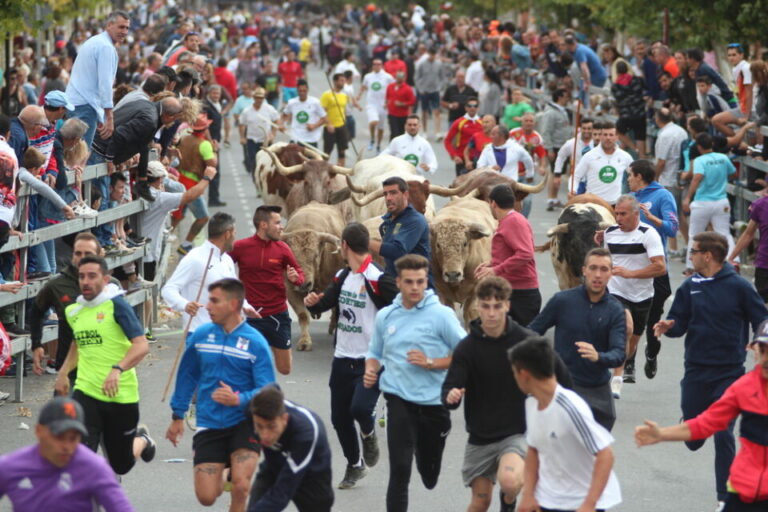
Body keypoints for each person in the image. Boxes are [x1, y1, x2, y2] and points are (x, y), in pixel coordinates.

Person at [654, 232, 767, 507]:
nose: (689, 254)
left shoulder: (739, 286)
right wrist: (669, 327)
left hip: (729, 371)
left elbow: (761, 318)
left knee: (723, 432)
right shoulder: (690, 285)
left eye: (693, 251)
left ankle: (722, 497)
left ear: (708, 255)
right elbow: (679, 322)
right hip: (695, 369)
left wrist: (757, 343)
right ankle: (689, 423)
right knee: (694, 440)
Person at [442, 277, 571, 512]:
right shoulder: (467, 347)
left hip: (518, 431)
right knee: (480, 502)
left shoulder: (527, 341)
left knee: (509, 482)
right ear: (478, 307)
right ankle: (506, 500)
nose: (491, 313)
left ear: (507, 306)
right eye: (486, 306)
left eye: (497, 306)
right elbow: (450, 388)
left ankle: (508, 501)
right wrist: (452, 396)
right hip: (481, 434)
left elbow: (563, 378)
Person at [364, 254, 466, 512]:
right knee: (399, 470)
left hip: (434, 403)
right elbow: (375, 351)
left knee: (429, 475)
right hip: (398, 400)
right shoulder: (386, 316)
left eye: (420, 281)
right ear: (398, 282)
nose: (415, 287)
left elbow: (466, 354)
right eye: (409, 282)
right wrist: (371, 369)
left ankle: (426, 456)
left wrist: (431, 363)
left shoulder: (441, 315)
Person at [167, 278, 276, 512]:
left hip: (245, 422)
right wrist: (177, 415)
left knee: (241, 487)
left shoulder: (256, 343)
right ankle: (226, 470)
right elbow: (187, 375)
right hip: (210, 422)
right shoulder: (201, 336)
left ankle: (233, 475)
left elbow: (269, 390)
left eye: (215, 301)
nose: (208, 306)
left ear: (234, 305)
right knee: (207, 496)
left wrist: (240, 399)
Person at [635, 320, 768, 511]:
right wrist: (662, 434)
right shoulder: (744, 387)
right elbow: (707, 423)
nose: (766, 358)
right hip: (742, 489)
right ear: (754, 351)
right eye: (762, 350)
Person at [304, 222, 398, 489]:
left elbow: (399, 309)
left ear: (345, 245)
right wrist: (311, 301)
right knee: (339, 418)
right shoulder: (344, 276)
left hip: (371, 360)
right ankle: (355, 465)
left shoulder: (378, 278)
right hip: (342, 358)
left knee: (359, 408)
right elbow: (325, 303)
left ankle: (368, 434)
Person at [53, 256, 156, 475]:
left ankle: (143, 440)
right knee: (79, 457)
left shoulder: (116, 305)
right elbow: (77, 344)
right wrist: (63, 373)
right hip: (86, 391)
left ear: (106, 279)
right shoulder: (74, 311)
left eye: (92, 276)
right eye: (81, 277)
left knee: (121, 464)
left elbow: (141, 346)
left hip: (120, 395)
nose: (86, 282)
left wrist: (117, 369)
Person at [510, 337, 622, 512]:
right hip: (548, 499)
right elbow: (533, 449)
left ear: (524, 375)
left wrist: (588, 505)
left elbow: (606, 455)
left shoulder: (570, 407)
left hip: (580, 501)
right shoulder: (531, 403)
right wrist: (528, 495)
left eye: (514, 372)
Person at [530, 248, 626, 431]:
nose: (598, 275)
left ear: (611, 273)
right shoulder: (562, 301)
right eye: (593, 268)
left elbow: (619, 354)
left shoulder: (615, 310)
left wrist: (598, 356)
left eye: (604, 269)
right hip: (563, 387)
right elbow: (533, 331)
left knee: (595, 454)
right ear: (584, 271)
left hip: (597, 389)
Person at [0, 397, 134, 511]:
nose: (67, 446)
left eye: (73, 438)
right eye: (59, 437)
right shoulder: (10, 467)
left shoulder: (94, 468)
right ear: (39, 431)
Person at [598, 195, 666, 394]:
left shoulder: (648, 234)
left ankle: (621, 365)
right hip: (616, 291)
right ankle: (615, 379)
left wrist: (631, 273)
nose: (618, 218)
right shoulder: (610, 233)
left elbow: (660, 268)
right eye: (616, 213)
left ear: (636, 214)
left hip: (643, 295)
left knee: (633, 342)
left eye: (623, 214)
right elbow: (606, 261)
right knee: (625, 327)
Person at [230, 206, 305, 375]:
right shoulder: (241, 247)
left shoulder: (282, 248)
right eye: (277, 223)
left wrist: (296, 279)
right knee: (243, 365)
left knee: (285, 369)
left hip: (277, 315)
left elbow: (299, 273)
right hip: (249, 316)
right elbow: (222, 266)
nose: (281, 227)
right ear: (263, 225)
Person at [162, 212, 259, 335]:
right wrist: (185, 305)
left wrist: (245, 306)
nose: (235, 237)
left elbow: (234, 292)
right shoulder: (195, 258)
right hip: (199, 334)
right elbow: (168, 289)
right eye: (234, 233)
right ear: (227, 234)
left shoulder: (227, 259)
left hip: (226, 333)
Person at [626, 160, 679, 380]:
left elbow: (673, 229)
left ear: (639, 176)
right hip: (630, 267)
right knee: (629, 318)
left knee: (651, 319)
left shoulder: (663, 196)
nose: (627, 178)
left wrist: (652, 218)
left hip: (655, 267)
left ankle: (651, 353)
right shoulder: (629, 198)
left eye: (630, 175)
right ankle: (628, 364)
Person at [30, 233, 107, 377]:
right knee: (64, 400)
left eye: (88, 253)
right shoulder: (57, 285)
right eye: (78, 253)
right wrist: (36, 345)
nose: (82, 257)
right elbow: (36, 312)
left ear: (99, 255)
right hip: (69, 367)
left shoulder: (111, 286)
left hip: (104, 365)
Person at [247, 386, 334, 511]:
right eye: (259, 426)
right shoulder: (252, 411)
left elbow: (283, 491)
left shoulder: (306, 434)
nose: (265, 435)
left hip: (311, 473)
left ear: (284, 419)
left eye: (271, 427)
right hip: (273, 463)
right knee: (256, 507)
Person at [475, 184, 540, 325]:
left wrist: (496, 269)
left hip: (521, 294)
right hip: (509, 290)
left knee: (521, 343)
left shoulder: (514, 221)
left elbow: (525, 253)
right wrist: (492, 262)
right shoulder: (510, 220)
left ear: (493, 203)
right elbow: (511, 250)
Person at [141, 161, 216, 282]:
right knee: (148, 291)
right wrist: (207, 178)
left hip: (143, 251)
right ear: (159, 179)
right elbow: (189, 196)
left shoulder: (141, 191)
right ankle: (186, 244)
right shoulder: (158, 198)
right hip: (148, 254)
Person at [65, 10, 130, 147]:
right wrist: (109, 117)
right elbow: (105, 84)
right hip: (85, 105)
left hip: (78, 103)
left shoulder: (97, 41)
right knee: (80, 157)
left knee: (75, 155)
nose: (124, 31)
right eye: (121, 27)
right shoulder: (105, 47)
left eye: (127, 28)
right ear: (109, 25)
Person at [683, 133, 737, 271]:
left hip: (702, 202)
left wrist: (688, 197)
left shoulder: (699, 160)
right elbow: (733, 172)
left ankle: (691, 266)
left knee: (695, 235)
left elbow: (697, 177)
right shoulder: (723, 158)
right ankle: (733, 260)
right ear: (711, 144)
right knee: (724, 233)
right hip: (721, 201)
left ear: (699, 147)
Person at [370, 177, 431, 280]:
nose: (388, 198)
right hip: (396, 283)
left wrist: (363, 241)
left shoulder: (415, 220)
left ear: (405, 195)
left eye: (393, 193)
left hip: (416, 286)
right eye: (385, 194)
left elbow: (398, 251)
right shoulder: (386, 223)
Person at [173, 113, 217, 256]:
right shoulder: (204, 145)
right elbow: (212, 165)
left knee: (178, 215)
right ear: (205, 129)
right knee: (203, 217)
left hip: (179, 179)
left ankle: (165, 240)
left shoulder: (184, 138)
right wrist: (214, 150)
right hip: (192, 184)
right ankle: (186, 245)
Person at [570, 122, 633, 205]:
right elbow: (575, 176)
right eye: (605, 135)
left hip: (614, 205)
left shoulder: (625, 156)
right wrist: (573, 190)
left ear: (617, 137)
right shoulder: (589, 156)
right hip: (592, 204)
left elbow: (635, 175)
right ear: (600, 136)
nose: (608, 138)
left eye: (611, 135)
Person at [551, 117, 594, 210]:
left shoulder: (597, 143)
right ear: (580, 129)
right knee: (576, 207)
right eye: (584, 128)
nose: (587, 131)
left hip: (592, 179)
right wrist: (557, 175)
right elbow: (561, 156)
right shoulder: (572, 143)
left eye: (589, 128)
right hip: (578, 180)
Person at [712, 43, 754, 137]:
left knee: (716, 120)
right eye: (729, 55)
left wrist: (746, 115)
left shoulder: (745, 68)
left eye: (734, 55)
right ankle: (738, 140)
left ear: (741, 55)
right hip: (742, 106)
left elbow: (749, 92)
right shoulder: (736, 68)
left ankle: (737, 141)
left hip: (750, 109)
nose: (731, 58)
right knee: (716, 120)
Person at [240, 87, 280, 177]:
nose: (259, 100)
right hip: (252, 140)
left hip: (265, 140)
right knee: (253, 162)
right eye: (257, 97)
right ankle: (256, 179)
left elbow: (277, 120)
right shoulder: (247, 111)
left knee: (267, 161)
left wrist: (273, 134)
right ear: (253, 98)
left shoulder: (269, 109)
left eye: (261, 98)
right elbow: (242, 124)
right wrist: (242, 137)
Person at [358, 58, 395, 153]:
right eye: (375, 64)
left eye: (379, 64)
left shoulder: (387, 77)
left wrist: (389, 101)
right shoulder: (368, 76)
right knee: (373, 122)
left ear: (382, 65)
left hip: (383, 105)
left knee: (381, 127)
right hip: (371, 104)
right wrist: (359, 95)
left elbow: (393, 88)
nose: (377, 66)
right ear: (372, 65)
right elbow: (363, 86)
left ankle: (378, 145)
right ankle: (372, 139)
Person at [611, 61, 647, 158]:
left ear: (617, 71)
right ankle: (642, 157)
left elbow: (616, 101)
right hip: (640, 114)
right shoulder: (637, 80)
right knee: (640, 137)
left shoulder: (615, 85)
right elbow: (645, 89)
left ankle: (634, 148)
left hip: (626, 116)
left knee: (618, 131)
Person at [282, 79, 327, 148]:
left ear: (308, 90)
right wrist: (282, 124)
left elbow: (324, 118)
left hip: (311, 139)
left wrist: (314, 126)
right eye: (300, 91)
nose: (302, 93)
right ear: (297, 90)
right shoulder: (292, 102)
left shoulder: (315, 102)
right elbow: (284, 115)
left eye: (304, 91)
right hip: (295, 138)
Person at [445, 96, 482, 176]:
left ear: (478, 108)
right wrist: (454, 156)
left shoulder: (482, 123)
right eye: (469, 106)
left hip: (478, 160)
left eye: (475, 106)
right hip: (462, 159)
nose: (472, 108)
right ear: (466, 108)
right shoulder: (459, 122)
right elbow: (447, 141)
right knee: (460, 187)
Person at [414, 49, 446, 139]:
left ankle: (438, 132)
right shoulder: (422, 64)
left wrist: (440, 88)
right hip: (425, 90)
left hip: (435, 90)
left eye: (433, 54)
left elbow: (442, 77)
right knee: (424, 112)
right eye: (431, 54)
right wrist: (420, 89)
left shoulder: (439, 64)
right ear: (428, 54)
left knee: (437, 111)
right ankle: (424, 131)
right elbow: (416, 77)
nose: (432, 56)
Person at [320, 73, 350, 165]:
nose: (343, 83)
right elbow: (322, 112)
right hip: (330, 127)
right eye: (341, 80)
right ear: (335, 81)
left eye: (344, 81)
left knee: (342, 152)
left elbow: (344, 110)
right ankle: (323, 171)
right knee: (326, 153)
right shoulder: (326, 95)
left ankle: (340, 173)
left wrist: (345, 123)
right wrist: (329, 123)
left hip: (341, 126)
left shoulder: (344, 95)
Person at [385, 71, 417, 141]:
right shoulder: (390, 87)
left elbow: (412, 101)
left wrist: (402, 104)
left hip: (403, 115)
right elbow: (387, 97)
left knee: (401, 133)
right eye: (398, 77)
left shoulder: (408, 88)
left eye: (401, 77)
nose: (399, 79)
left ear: (404, 78)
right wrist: (386, 104)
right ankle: (392, 148)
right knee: (394, 132)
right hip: (392, 113)